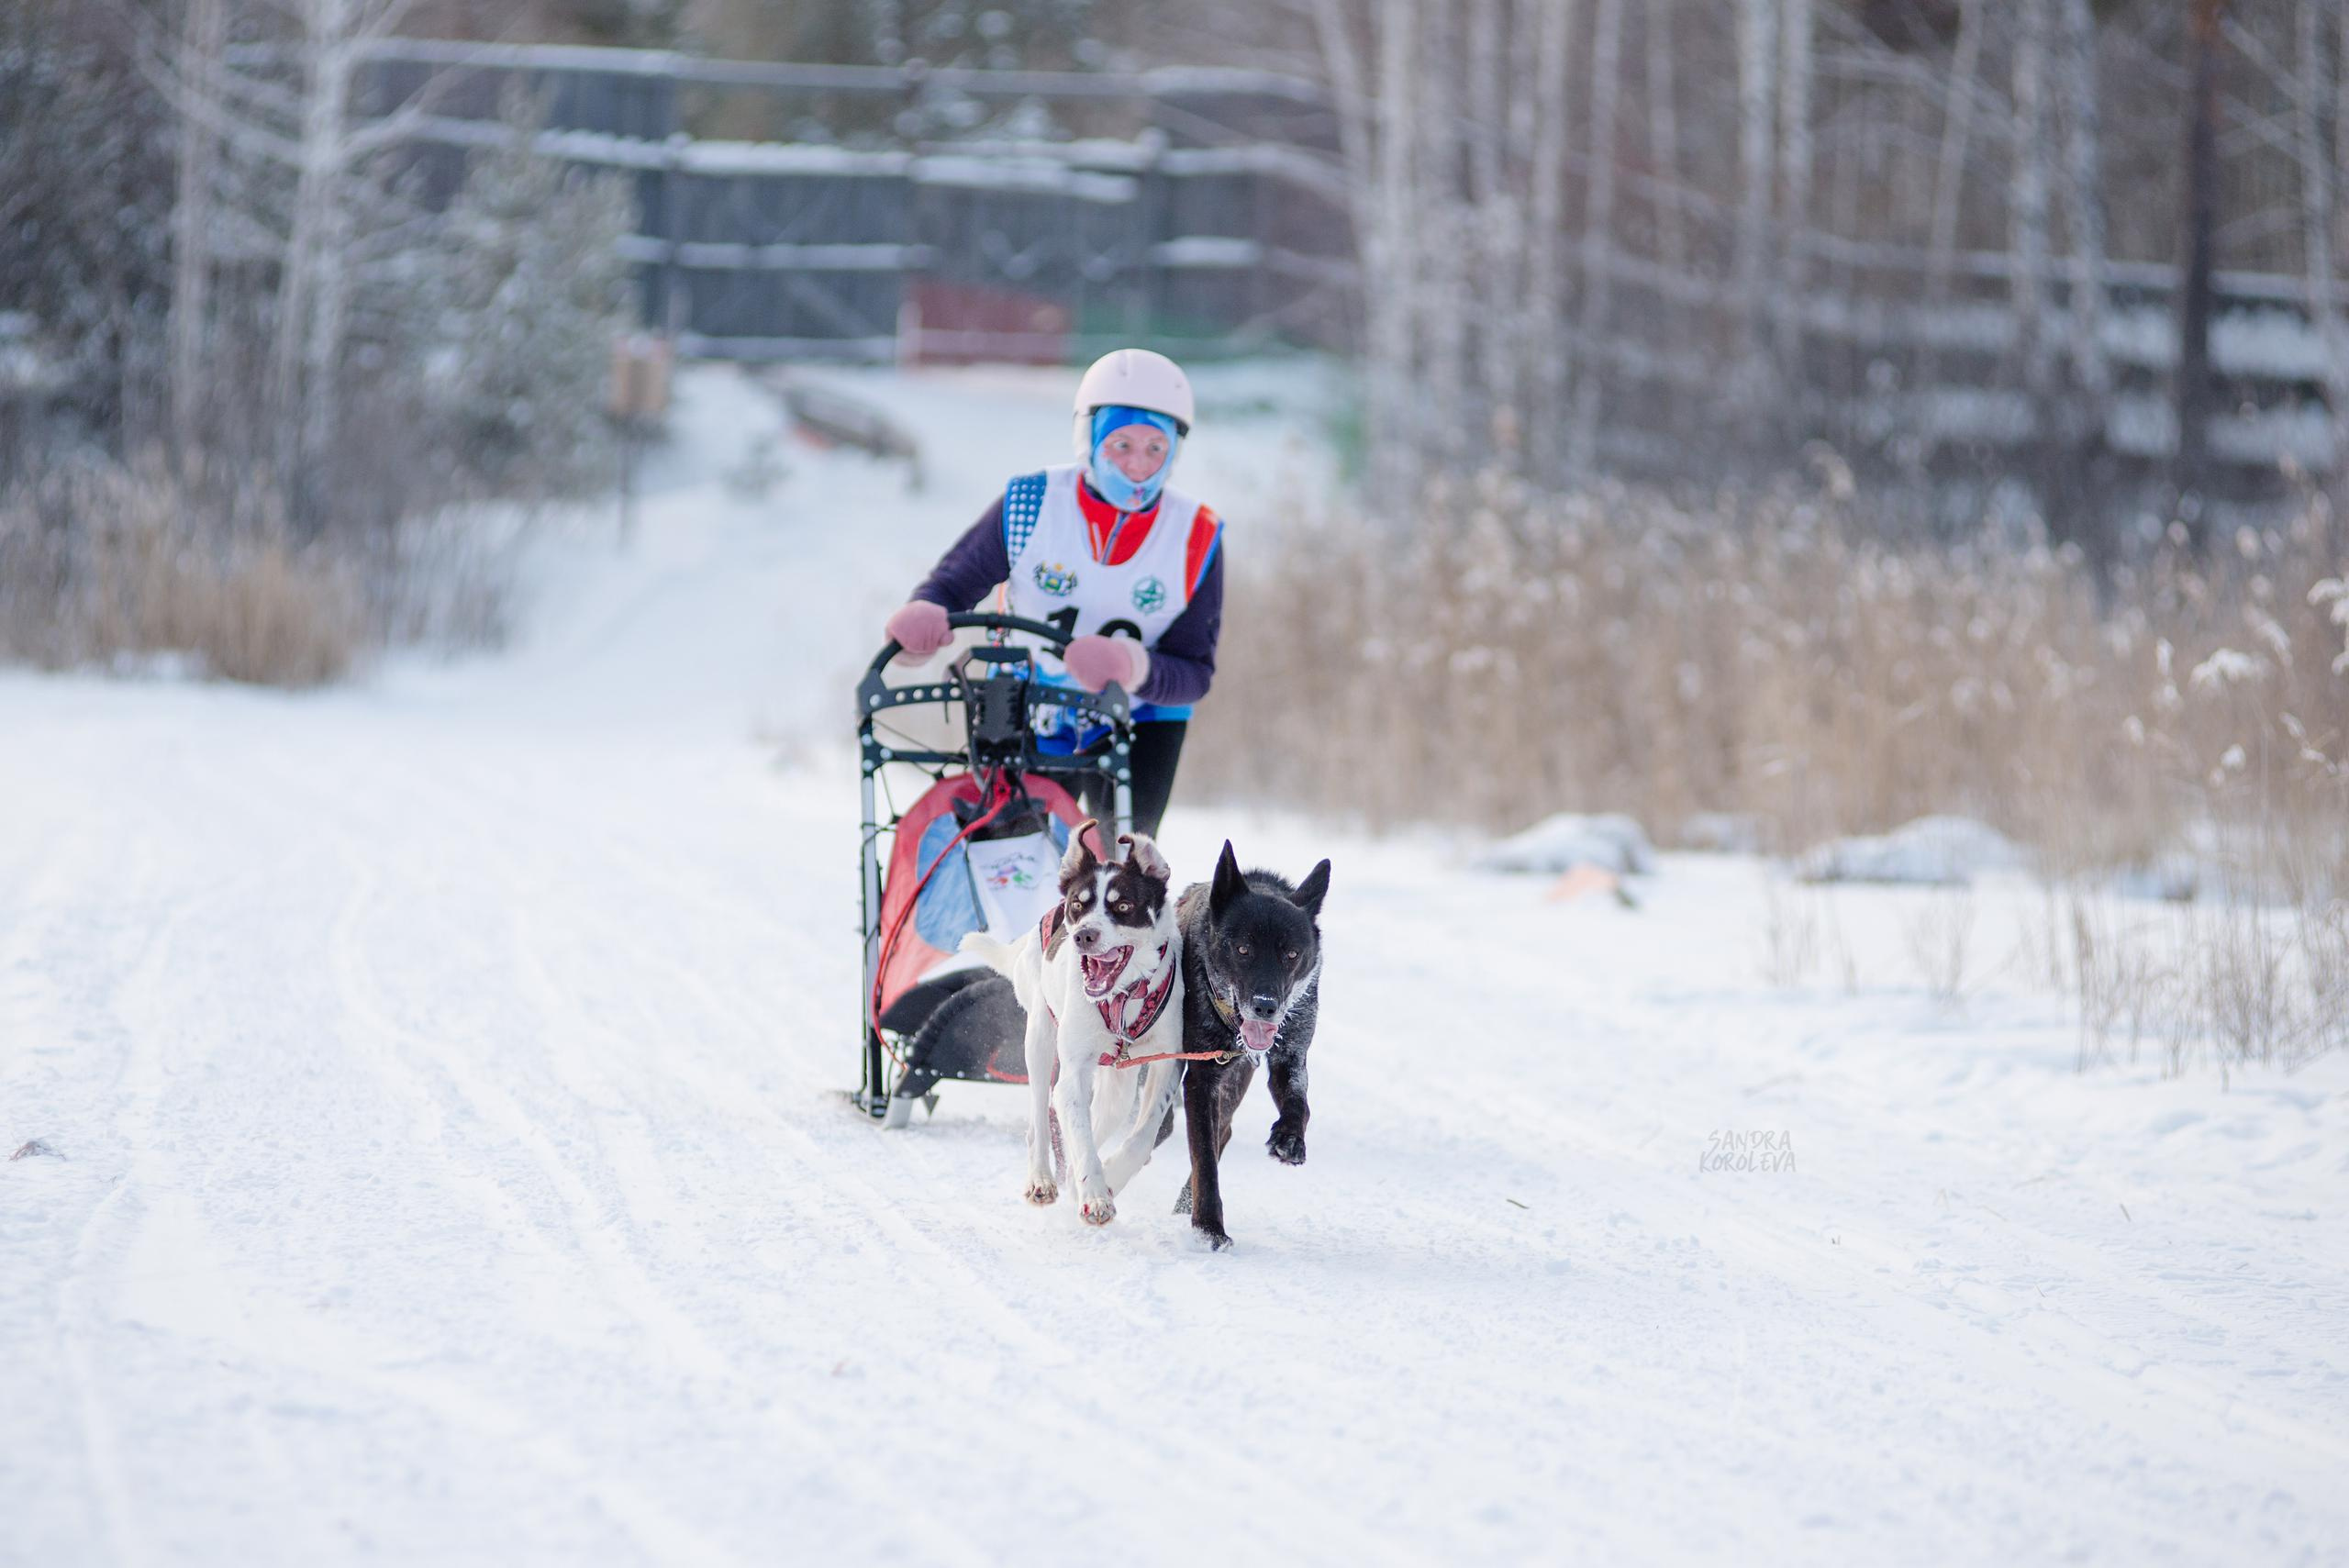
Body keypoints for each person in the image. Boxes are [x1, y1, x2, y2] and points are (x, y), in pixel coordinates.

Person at [883, 349, 1224, 838]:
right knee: (1008, 852)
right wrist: (927, 612)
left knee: (1124, 870)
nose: (1137, 466)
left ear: (1175, 451)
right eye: (1121, 445)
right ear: (1089, 438)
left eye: (1156, 449)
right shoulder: (1032, 503)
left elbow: (1194, 672)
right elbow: (955, 583)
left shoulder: (1196, 535)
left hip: (1139, 718)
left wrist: (1133, 666)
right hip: (1025, 696)